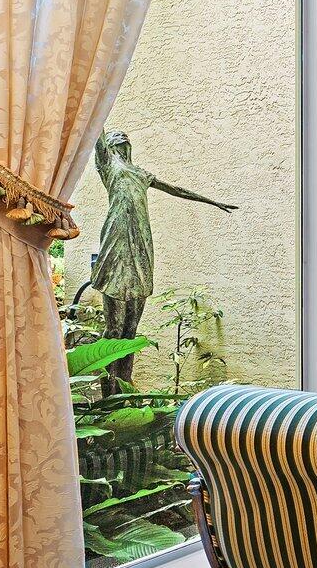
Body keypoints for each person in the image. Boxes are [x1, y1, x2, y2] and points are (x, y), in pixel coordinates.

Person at [90, 130, 236, 390]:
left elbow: (176, 190)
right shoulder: (108, 166)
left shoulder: (141, 174)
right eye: (118, 141)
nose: (123, 144)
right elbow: (96, 130)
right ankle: (107, 392)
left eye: (126, 142)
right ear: (111, 147)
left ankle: (124, 387)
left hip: (140, 246)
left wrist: (213, 202)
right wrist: (95, 92)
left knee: (130, 330)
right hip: (117, 241)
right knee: (113, 330)